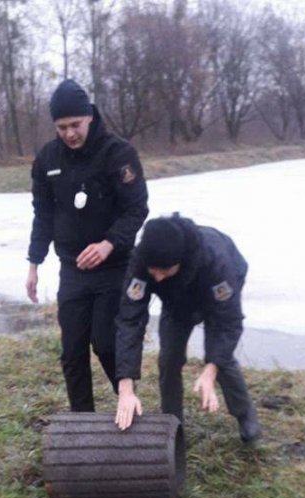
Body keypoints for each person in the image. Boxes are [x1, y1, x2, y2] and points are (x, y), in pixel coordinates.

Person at [26, 79, 149, 412]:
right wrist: (34, 264)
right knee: (73, 351)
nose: (69, 134)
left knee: (106, 343)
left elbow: (137, 210)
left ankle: (128, 400)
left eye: (75, 125)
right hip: (73, 269)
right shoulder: (47, 159)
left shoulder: (118, 153)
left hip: (114, 267)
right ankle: (83, 421)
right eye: (62, 127)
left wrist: (109, 244)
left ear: (90, 117)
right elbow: (43, 214)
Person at [115, 214, 262, 443]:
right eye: (154, 271)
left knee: (220, 357)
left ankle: (245, 416)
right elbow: (129, 320)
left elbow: (229, 321)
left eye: (164, 270)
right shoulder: (142, 260)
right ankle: (173, 424)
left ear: (180, 260)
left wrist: (210, 369)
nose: (158, 277)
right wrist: (125, 387)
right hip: (176, 302)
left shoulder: (215, 260)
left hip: (217, 293)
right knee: (169, 359)